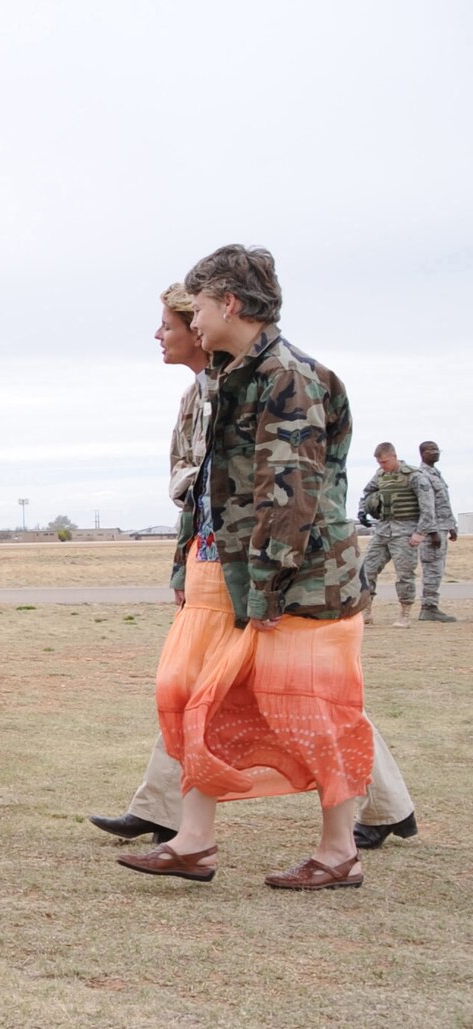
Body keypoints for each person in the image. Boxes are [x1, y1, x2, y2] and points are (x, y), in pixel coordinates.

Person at [88, 286, 418, 852]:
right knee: (202, 688)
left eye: (168, 324)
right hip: (219, 562)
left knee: (299, 695)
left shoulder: (270, 381)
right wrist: (186, 564)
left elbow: (285, 489)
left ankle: (358, 826)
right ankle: (173, 816)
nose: (158, 335)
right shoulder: (203, 392)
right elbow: (199, 491)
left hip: (264, 568)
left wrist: (264, 579)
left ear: (208, 321)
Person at [357, 442, 437, 628]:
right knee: (367, 569)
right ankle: (366, 611)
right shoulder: (380, 475)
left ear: (394, 456)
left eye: (384, 461)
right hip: (383, 530)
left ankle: (405, 614)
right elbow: (367, 492)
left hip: (406, 532)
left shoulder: (415, 476)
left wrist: (420, 532)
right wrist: (362, 510)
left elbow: (427, 507)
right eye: (379, 462)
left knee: (404, 574)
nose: (382, 465)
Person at [413, 440, 457, 622]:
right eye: (430, 450)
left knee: (438, 569)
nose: (435, 452)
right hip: (433, 530)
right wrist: (431, 531)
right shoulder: (422, 475)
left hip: (442, 526)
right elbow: (426, 505)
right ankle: (428, 607)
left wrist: (452, 525)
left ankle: (432, 605)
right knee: (432, 568)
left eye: (437, 449)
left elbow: (442, 503)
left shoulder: (436, 474)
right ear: (422, 453)